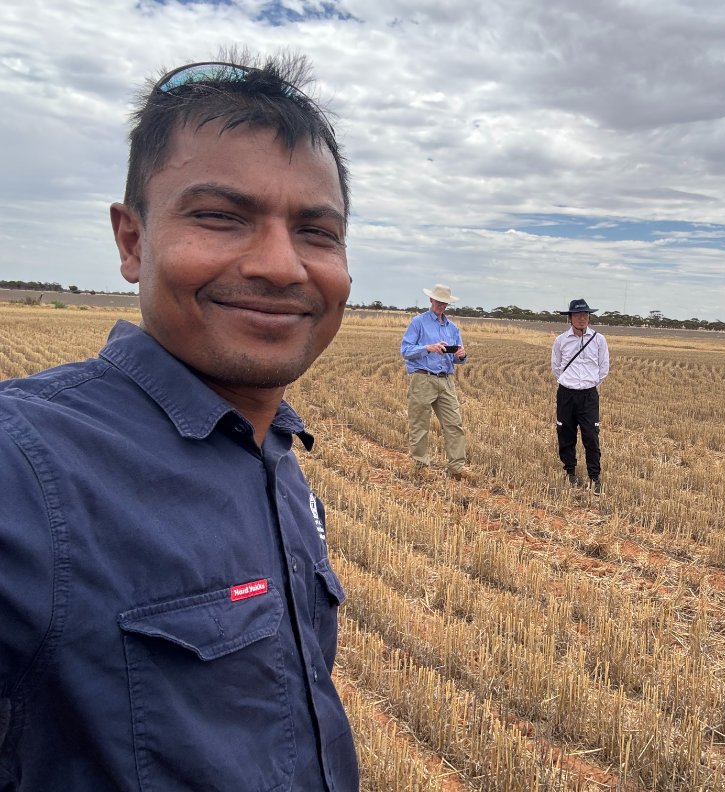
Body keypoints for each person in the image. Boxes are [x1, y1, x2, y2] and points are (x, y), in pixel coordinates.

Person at [0, 55, 359, 790]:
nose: (282, 266)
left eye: (316, 231)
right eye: (222, 217)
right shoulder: (25, 467)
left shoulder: (276, 458)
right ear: (132, 241)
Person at [400, 284, 472, 480]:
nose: (441, 305)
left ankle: (456, 469)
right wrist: (428, 348)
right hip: (423, 378)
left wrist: (461, 355)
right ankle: (420, 467)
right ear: (431, 300)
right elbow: (406, 351)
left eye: (444, 302)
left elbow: (458, 358)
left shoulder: (453, 328)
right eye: (438, 301)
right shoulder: (418, 322)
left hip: (446, 380)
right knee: (419, 424)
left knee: (454, 424)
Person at [551, 298, 610, 493]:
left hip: (589, 396)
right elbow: (556, 368)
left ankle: (595, 476)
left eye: (585, 315)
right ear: (570, 318)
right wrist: (571, 383)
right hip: (566, 394)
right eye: (577, 315)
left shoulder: (599, 340)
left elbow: (604, 369)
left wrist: (589, 384)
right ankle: (570, 472)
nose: (582, 318)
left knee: (591, 436)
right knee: (566, 434)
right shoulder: (560, 341)